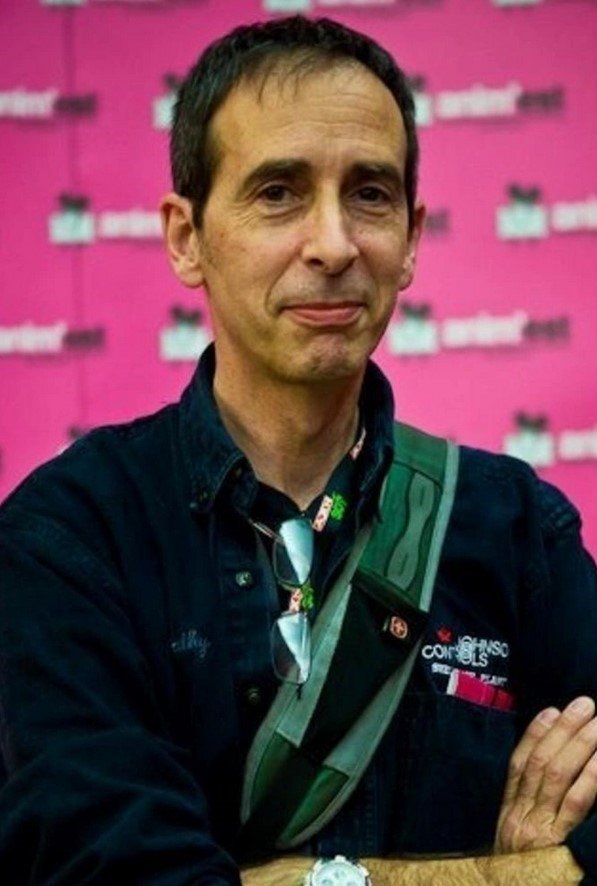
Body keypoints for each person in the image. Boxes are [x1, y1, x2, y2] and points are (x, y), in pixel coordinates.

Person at [0, 15, 596, 885]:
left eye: (369, 194)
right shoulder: (73, 535)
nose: (332, 244)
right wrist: (500, 876)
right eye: (278, 192)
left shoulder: (515, 531)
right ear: (186, 237)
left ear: (410, 239)